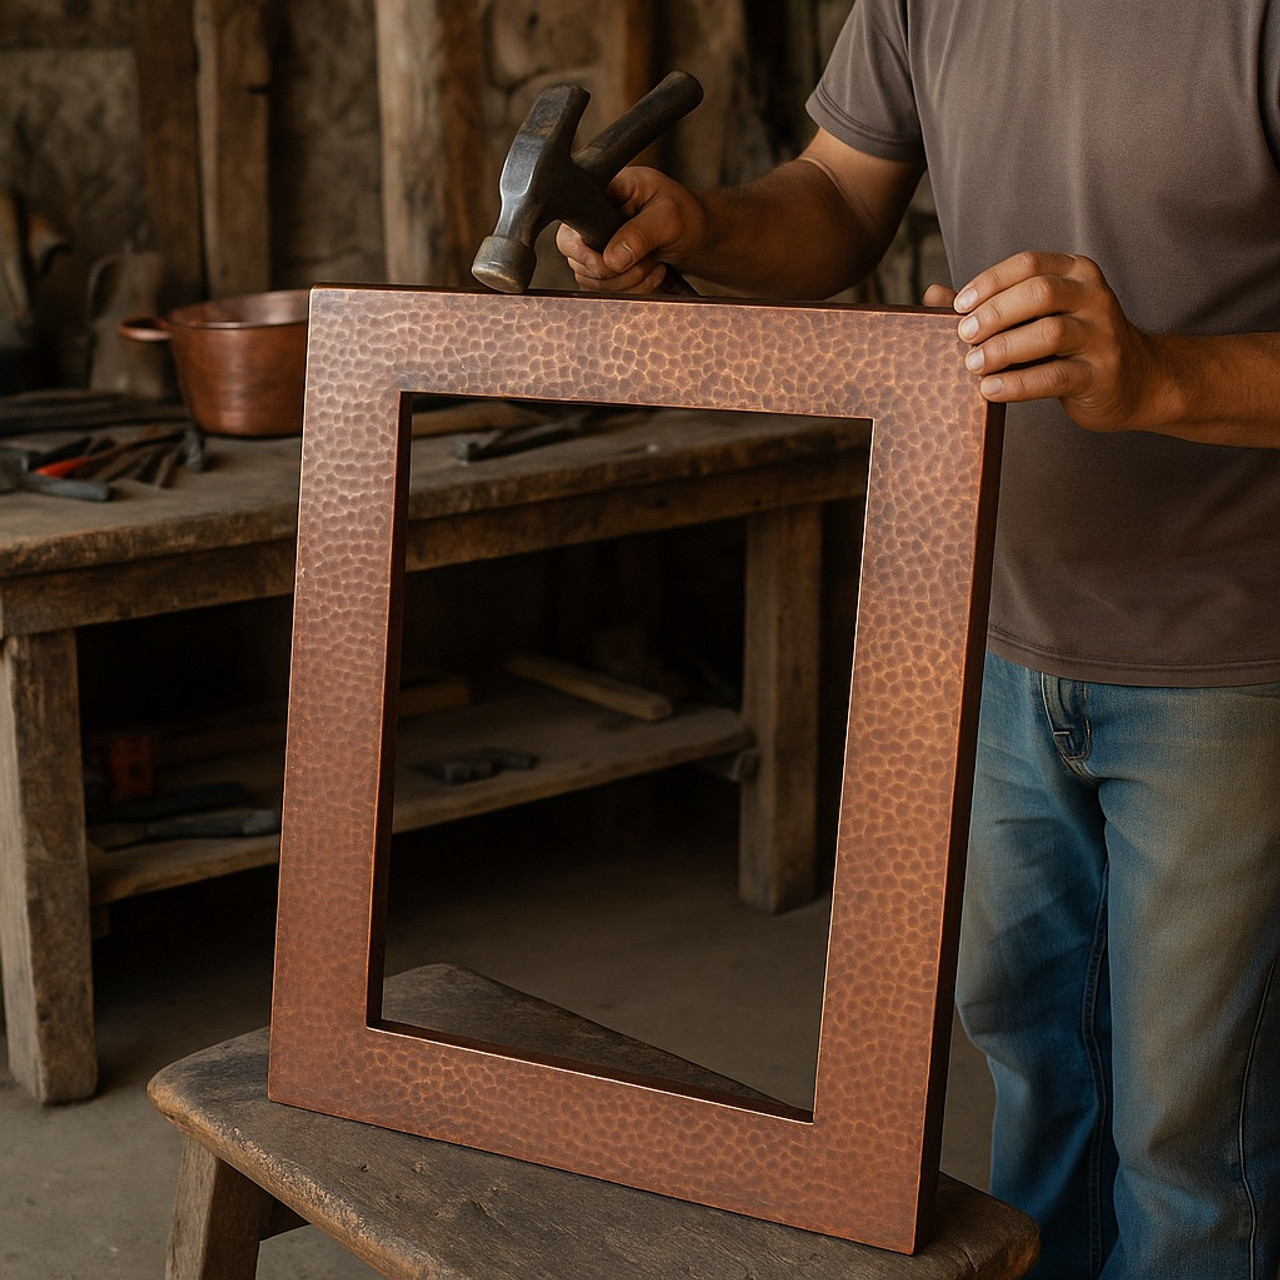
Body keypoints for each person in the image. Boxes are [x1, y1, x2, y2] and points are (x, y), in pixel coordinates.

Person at [557, 5, 1280, 1278]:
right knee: (1035, 1080)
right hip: (993, 625)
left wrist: (1155, 375)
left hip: (1229, 654)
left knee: (1191, 1145)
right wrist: (707, 224)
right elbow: (838, 195)